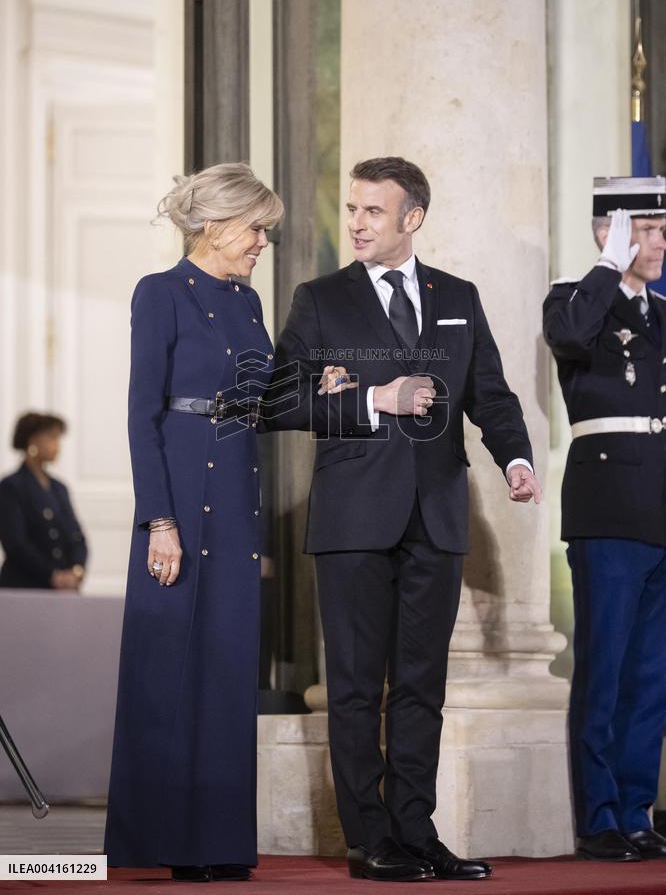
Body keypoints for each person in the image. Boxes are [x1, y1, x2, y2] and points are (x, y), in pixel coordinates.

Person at [262, 156, 540, 882]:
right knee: (355, 686)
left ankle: (418, 833)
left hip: (438, 516)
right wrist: (370, 401)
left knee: (422, 685)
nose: (355, 222)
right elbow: (279, 401)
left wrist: (515, 459)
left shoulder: (458, 295)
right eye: (352, 209)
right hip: (353, 519)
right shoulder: (319, 299)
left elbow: (493, 395)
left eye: (372, 211)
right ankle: (371, 840)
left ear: (411, 218)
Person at [104, 163, 285, 882]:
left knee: (228, 671)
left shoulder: (248, 305)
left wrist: (332, 387)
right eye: (256, 228)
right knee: (166, 671)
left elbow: (267, 401)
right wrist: (159, 521)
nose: (262, 242)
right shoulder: (159, 294)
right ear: (214, 225)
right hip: (176, 500)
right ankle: (159, 842)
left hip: (237, 504)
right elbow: (141, 415)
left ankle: (218, 844)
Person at [543, 176, 666, 863]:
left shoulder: (664, 312)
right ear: (609, 232)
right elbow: (568, 337)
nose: (659, 243)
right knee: (607, 667)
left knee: (653, 676)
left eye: (660, 231)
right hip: (608, 508)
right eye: (645, 230)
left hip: (661, 509)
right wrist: (606, 266)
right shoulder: (575, 300)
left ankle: (636, 808)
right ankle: (599, 819)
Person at [0, 412, 86, 590]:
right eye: (52, 438)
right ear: (33, 440)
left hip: (62, 591)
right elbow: (15, 543)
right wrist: (52, 575)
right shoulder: (11, 487)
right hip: (24, 587)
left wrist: (76, 571)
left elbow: (77, 538)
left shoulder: (59, 488)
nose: (57, 446)